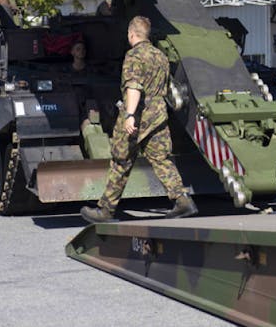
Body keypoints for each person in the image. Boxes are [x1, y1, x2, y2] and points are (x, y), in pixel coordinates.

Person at [81, 16, 197, 223]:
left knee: (120, 161)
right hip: (159, 115)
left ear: (131, 34)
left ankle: (106, 210)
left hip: (139, 116)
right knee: (162, 159)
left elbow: (134, 86)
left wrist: (130, 115)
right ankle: (182, 200)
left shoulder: (134, 55)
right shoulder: (160, 56)